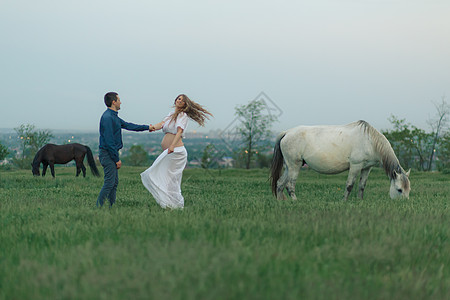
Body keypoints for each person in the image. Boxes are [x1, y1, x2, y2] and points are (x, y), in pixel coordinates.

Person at [141, 94, 212, 209]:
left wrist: (172, 146)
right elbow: (161, 124)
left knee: (168, 179)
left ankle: (176, 204)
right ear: (175, 101)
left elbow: (179, 132)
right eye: (178, 99)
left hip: (176, 151)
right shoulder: (170, 115)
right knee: (164, 177)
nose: (180, 101)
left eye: (182, 100)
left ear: (185, 104)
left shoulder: (182, 115)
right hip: (170, 151)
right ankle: (168, 204)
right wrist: (151, 127)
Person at [97, 92, 151, 208]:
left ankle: (111, 207)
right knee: (109, 183)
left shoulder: (113, 116)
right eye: (119, 100)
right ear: (113, 102)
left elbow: (129, 126)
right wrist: (116, 159)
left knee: (114, 183)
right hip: (107, 154)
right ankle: (98, 207)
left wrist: (148, 127)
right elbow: (109, 142)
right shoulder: (107, 117)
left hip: (111, 153)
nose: (121, 102)